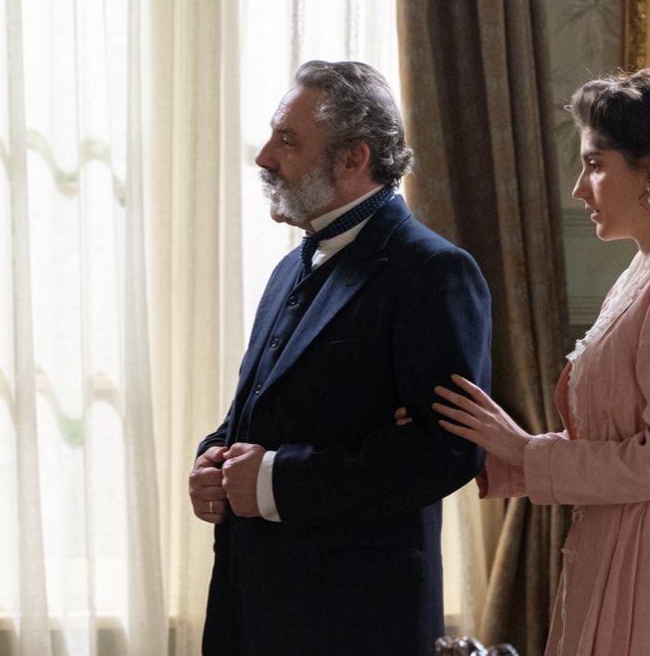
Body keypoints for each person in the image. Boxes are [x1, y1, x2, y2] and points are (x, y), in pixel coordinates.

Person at [425, 64, 650, 654]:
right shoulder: (647, 272)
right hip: (617, 544)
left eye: (594, 164)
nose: (578, 188)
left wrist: (526, 451)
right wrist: (494, 447)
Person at [189, 60, 492, 654]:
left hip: (357, 616)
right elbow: (257, 411)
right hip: (247, 606)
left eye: (288, 140)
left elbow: (447, 449)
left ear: (354, 158)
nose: (264, 157)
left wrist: (277, 481)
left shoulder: (432, 271)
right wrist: (213, 463)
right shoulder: (287, 269)